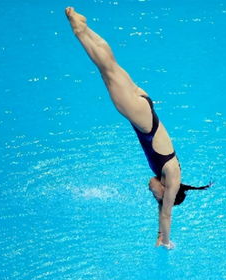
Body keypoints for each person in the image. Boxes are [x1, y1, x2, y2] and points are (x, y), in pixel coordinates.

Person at [65, 7, 210, 250]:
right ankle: (80, 31)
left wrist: (157, 233)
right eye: (156, 196)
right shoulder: (172, 179)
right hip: (142, 118)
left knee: (110, 67)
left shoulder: (168, 179)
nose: (151, 192)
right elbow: (166, 215)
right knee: (108, 71)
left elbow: (161, 212)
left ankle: (84, 27)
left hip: (144, 109)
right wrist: (165, 240)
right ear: (165, 193)